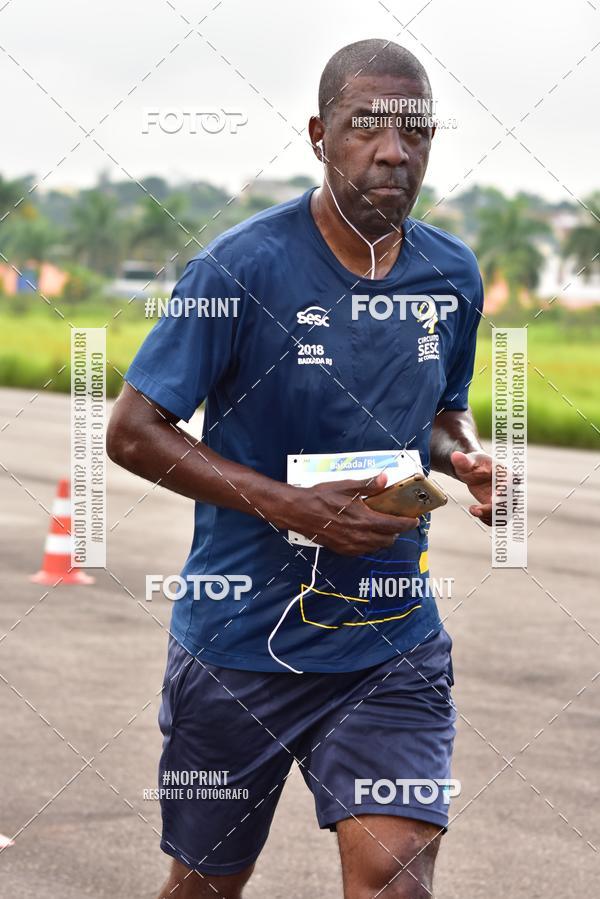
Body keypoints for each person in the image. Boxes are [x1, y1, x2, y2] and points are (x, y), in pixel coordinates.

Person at [107, 38, 493, 899]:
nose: (393, 151)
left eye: (414, 131)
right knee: (206, 886)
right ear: (321, 135)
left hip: (391, 641)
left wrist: (466, 457)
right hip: (241, 644)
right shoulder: (239, 268)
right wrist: (292, 505)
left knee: (397, 875)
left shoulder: (452, 273)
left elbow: (443, 409)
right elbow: (133, 432)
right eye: (366, 127)